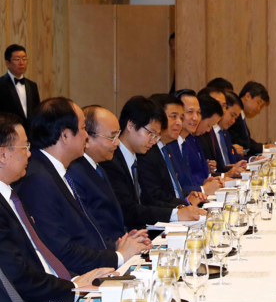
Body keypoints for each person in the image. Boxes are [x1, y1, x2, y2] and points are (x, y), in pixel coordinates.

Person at [0, 113, 112, 302]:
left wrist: (75, 282)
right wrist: (72, 289)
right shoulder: (28, 187)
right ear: (3, 155)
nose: (30, 154)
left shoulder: (12, 196)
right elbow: (18, 274)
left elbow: (41, 255)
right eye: (25, 147)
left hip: (59, 290)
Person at [15, 98, 148, 275]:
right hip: (76, 279)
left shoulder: (57, 171)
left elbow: (84, 233)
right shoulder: (39, 180)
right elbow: (61, 251)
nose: (86, 135)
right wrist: (119, 256)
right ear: (65, 136)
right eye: (83, 128)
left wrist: (116, 246)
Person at [101, 96, 205, 231]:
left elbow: (149, 201)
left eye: (157, 136)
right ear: (131, 125)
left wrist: (181, 208)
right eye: (151, 133)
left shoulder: (136, 157)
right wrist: (176, 213)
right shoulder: (111, 161)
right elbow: (128, 210)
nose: (154, 141)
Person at [66, 106, 128, 243]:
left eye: (118, 136)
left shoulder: (99, 167)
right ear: (87, 139)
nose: (117, 142)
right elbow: (90, 227)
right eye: (112, 137)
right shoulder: (75, 173)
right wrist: (116, 246)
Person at [229, 81, 272, 157]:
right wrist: (263, 148)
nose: (258, 109)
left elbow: (246, 141)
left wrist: (263, 147)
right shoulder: (233, 117)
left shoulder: (241, 115)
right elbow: (243, 145)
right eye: (258, 103)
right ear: (247, 96)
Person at [0, 45, 40, 126]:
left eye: (24, 59)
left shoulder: (32, 85)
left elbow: (37, 111)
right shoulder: (1, 84)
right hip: (8, 130)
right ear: (7, 63)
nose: (21, 63)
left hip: (30, 131)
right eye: (17, 59)